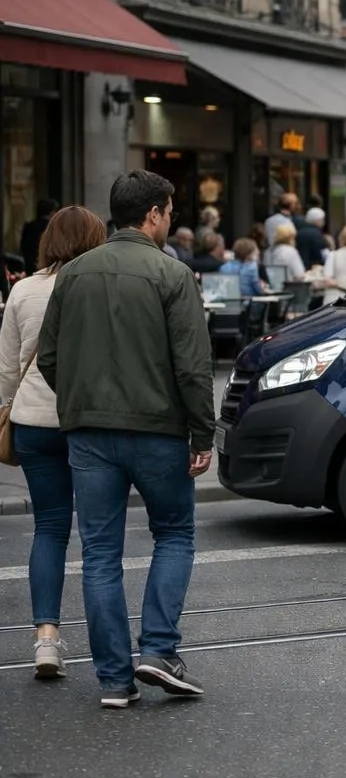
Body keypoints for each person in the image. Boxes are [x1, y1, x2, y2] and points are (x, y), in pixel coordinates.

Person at [37, 169, 215, 709]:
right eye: (170, 212)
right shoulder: (172, 274)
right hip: (158, 429)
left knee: (99, 555)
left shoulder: (72, 274)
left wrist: (79, 398)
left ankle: (114, 681)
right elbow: (192, 366)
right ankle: (158, 650)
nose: (170, 221)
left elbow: (48, 355)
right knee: (175, 533)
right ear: (155, 213)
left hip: (88, 433)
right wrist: (201, 432)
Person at [0, 206, 107, 678]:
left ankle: (46, 639)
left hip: (32, 422)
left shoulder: (23, 289)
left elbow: (7, 366)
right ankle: (112, 646)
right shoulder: (100, 285)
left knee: (49, 529)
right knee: (100, 535)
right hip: (88, 422)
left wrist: (4, 410)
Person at [19, 199, 57, 274]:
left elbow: (24, 247)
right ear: (52, 212)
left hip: (30, 266)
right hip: (48, 268)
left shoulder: (29, 226)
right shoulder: (52, 228)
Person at [297, 207, 328, 271]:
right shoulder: (317, 234)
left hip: (300, 266)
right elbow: (323, 253)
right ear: (318, 220)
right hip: (313, 268)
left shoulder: (299, 232)